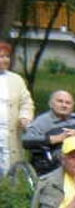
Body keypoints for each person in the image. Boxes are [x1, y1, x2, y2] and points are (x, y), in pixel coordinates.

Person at [0, 41, 34, 176]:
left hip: (9, 132)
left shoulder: (16, 80)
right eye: (1, 56)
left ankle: (8, 186)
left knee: (9, 168)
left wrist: (25, 117)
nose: (5, 60)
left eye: (7, 57)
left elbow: (26, 102)